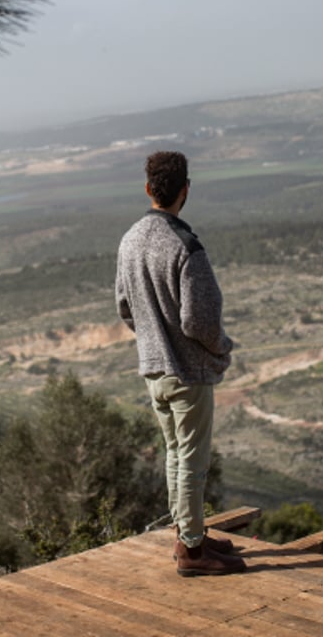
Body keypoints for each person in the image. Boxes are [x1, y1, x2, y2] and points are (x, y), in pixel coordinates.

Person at [115, 150, 246, 577]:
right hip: (187, 372)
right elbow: (199, 320)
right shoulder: (186, 246)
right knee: (192, 460)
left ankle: (189, 534)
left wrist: (154, 338)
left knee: (175, 455)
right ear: (185, 191)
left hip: (153, 369)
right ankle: (192, 550)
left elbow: (124, 307)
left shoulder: (130, 240)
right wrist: (222, 348)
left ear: (148, 188)